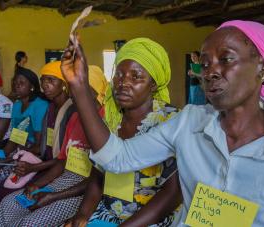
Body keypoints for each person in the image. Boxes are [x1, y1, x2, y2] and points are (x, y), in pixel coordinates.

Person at [61, 20, 264, 227]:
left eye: (226, 59)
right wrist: (79, 87)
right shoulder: (188, 122)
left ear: (263, 67)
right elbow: (117, 158)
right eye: (205, 62)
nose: (211, 71)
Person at [66, 38, 182, 227]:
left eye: (136, 76)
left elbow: (173, 193)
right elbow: (98, 175)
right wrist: (83, 214)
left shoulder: (171, 121)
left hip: (151, 220)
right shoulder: (111, 120)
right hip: (108, 214)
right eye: (119, 75)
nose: (123, 83)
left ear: (153, 84)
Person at [0, 65, 107, 227]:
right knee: (9, 204)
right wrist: (38, 185)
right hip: (64, 179)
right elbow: (62, 161)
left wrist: (54, 196)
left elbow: (97, 181)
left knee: (29, 223)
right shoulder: (75, 118)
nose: (74, 93)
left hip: (84, 190)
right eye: (73, 88)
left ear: (97, 93)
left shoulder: (106, 122)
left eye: (81, 89)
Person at [0, 67, 49, 225]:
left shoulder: (39, 105)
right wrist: (1, 159)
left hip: (33, 155)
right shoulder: (17, 105)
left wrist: (9, 159)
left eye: (21, 83)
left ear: (32, 86)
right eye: (15, 83)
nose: (16, 86)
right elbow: (13, 139)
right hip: (17, 151)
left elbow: (39, 147)